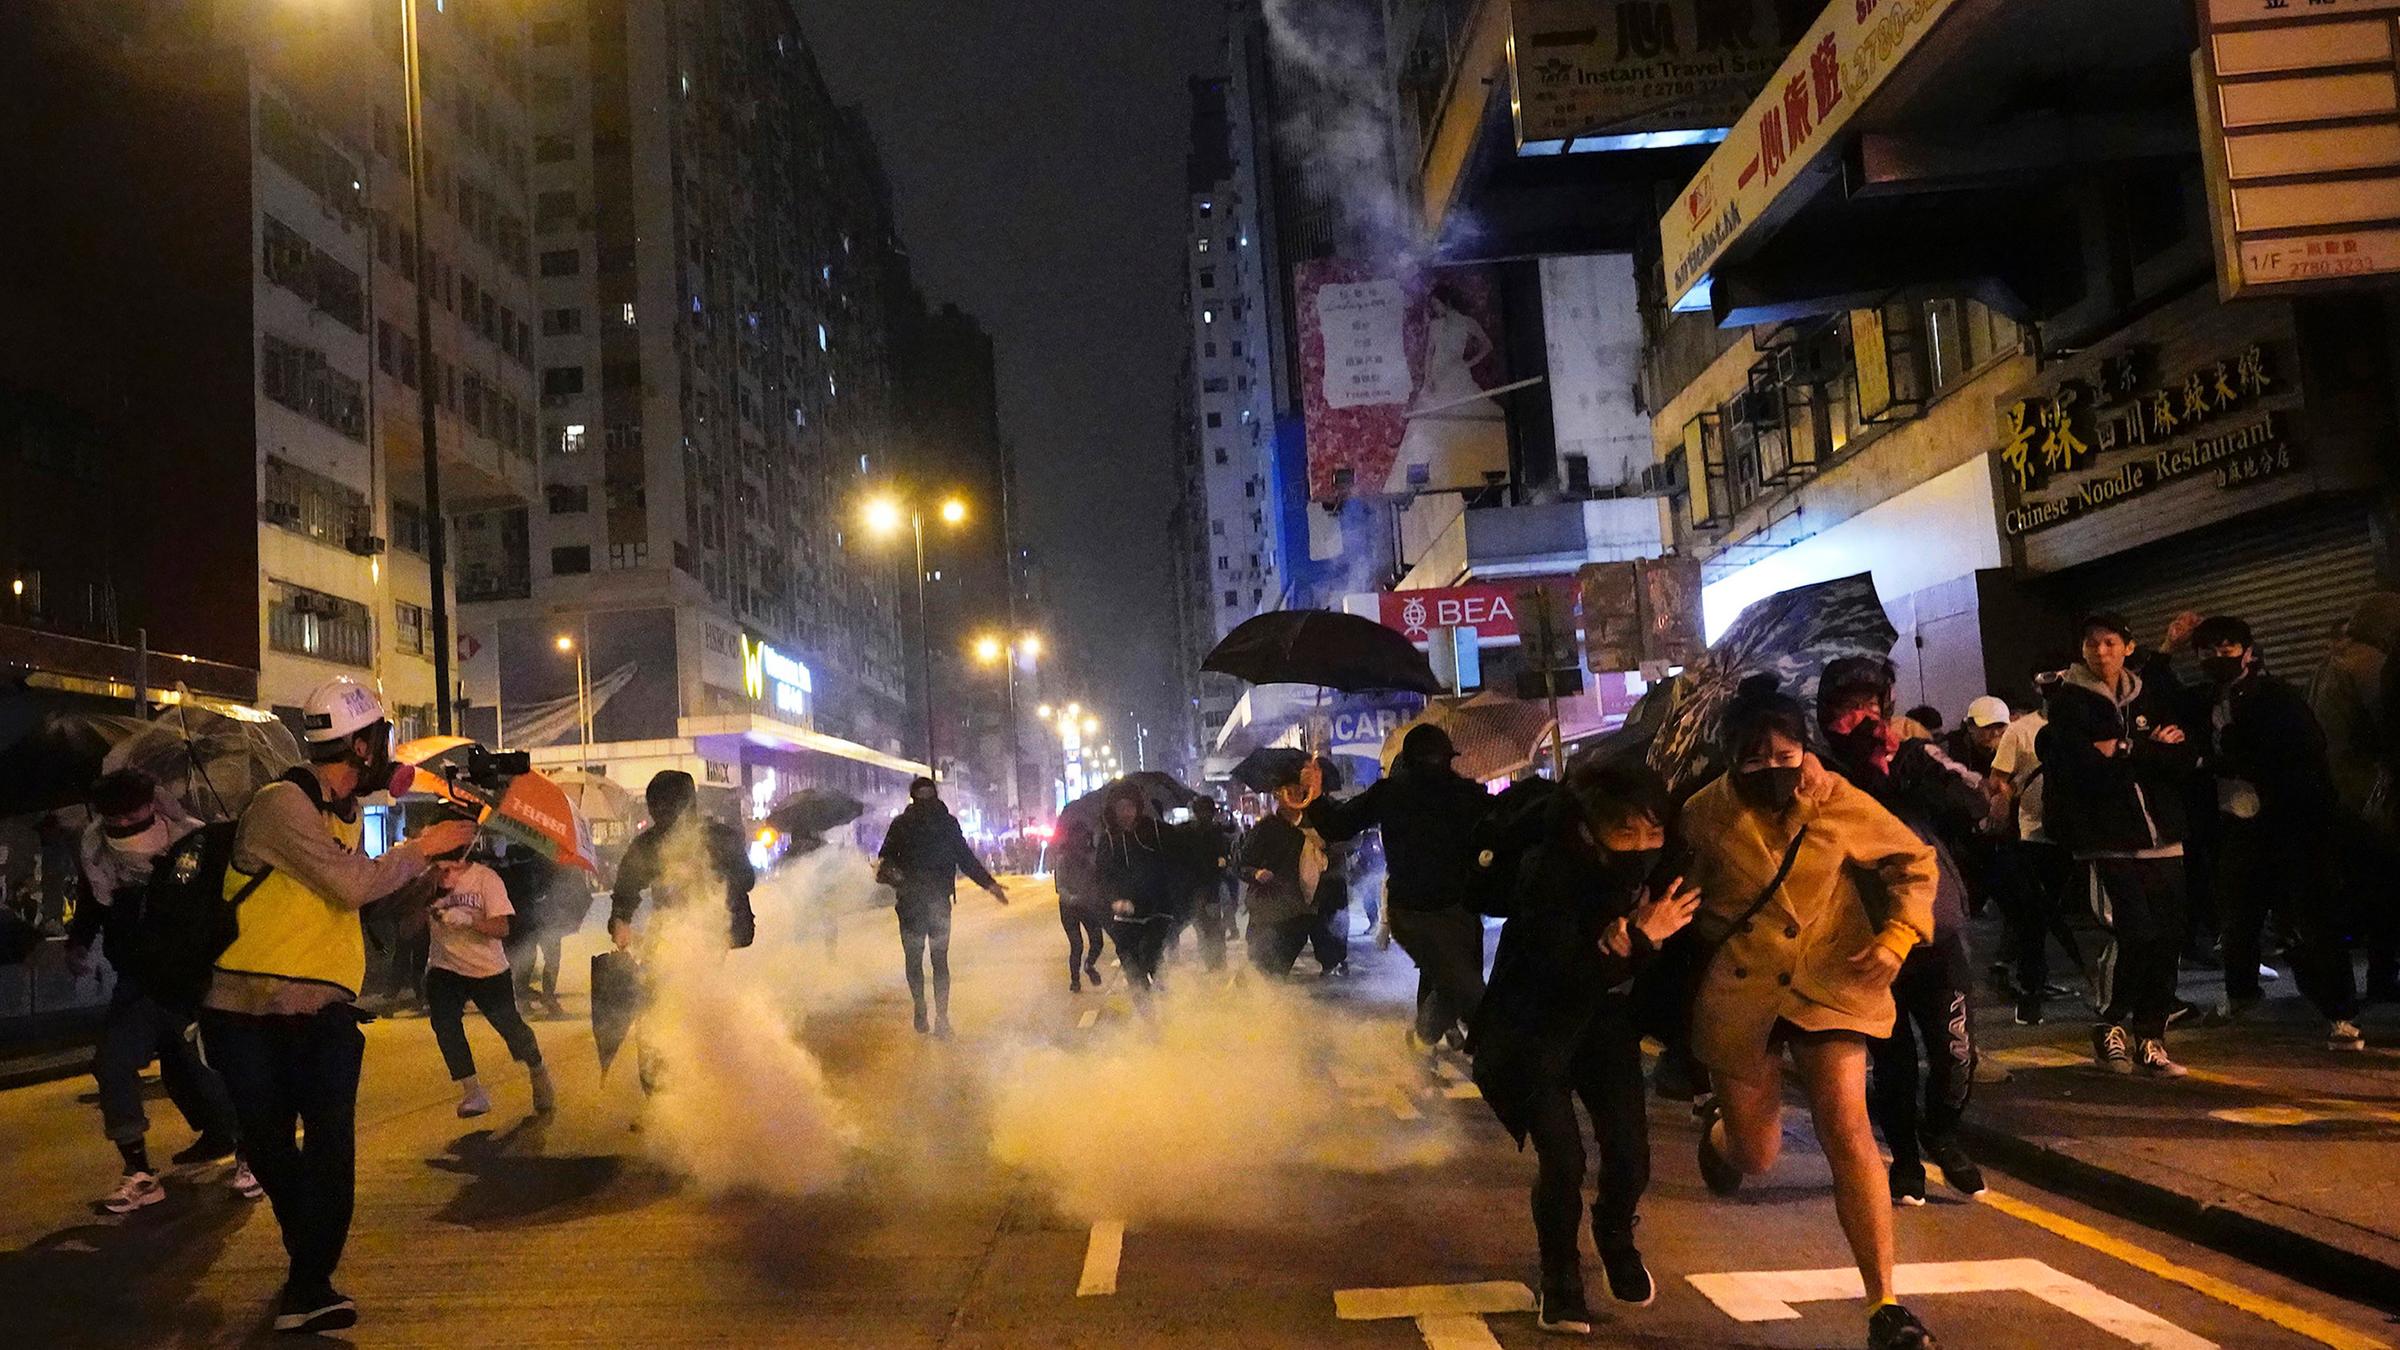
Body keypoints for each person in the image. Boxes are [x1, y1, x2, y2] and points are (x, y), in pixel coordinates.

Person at [198, 678, 477, 1335]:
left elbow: (363, 913)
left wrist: (428, 881)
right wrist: (419, 850)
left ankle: (309, 1281)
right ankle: (311, 1266)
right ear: (358, 742)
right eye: (382, 735)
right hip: (245, 1010)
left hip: (322, 1013)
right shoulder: (280, 805)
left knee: (329, 1148)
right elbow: (350, 886)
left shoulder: (346, 815)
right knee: (268, 1147)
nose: (388, 749)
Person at [1686, 675, 1941, 1350]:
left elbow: (1914, 864)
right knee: (1757, 1154)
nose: (1772, 767)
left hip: (1830, 979)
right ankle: (1720, 1135)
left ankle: (1885, 1305)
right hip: (1742, 990)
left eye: (1784, 752)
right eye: (1753, 756)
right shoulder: (1703, 814)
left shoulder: (1837, 799)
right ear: (1730, 755)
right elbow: (1675, 893)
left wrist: (1896, 937)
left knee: (1848, 1125)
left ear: (1805, 747)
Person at [1472, 763, 1698, 1333]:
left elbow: (1672, 955)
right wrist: (1637, 941)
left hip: (1604, 1027)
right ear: (1586, 829)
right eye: (1626, 833)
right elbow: (1566, 973)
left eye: (1654, 833)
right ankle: (1560, 1278)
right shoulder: (1545, 872)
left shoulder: (1666, 873)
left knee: (1629, 1152)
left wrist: (1637, 946)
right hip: (1535, 1031)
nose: (1643, 847)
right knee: (1563, 1158)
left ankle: (1615, 1234)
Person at [1818, 658, 1991, 1205]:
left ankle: (1941, 1132)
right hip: (1868, 936)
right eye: (1848, 709)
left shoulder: (1916, 755)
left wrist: (1909, 770)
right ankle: (1906, 1158)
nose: (1862, 718)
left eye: (1871, 705)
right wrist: (1865, 777)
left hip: (1935, 929)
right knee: (1891, 1060)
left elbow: (1977, 801)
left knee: (1956, 1050)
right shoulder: (1821, 774)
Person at [67, 770, 256, 1214]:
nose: (128, 829)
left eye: (134, 815)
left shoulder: (196, 845)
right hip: (140, 982)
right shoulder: (97, 855)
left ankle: (251, 1153)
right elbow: (95, 906)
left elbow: (225, 908)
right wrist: (78, 943)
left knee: (215, 1069)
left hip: (196, 981)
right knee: (113, 1062)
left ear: (152, 804)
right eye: (116, 820)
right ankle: (138, 1172)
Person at [2192, 617, 2363, 1049]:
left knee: (2311, 917)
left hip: (2293, 825)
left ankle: (2339, 1012)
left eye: (2228, 647)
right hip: (2234, 824)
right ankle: (2241, 994)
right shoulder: (2202, 701)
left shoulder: (2277, 697)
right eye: (2208, 649)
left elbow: (2301, 754)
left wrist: (2226, 758)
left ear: (2249, 651)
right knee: (2238, 915)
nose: (2217, 656)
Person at [2041, 612, 2199, 1076]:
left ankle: (2151, 1035)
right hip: (2105, 839)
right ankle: (2109, 1021)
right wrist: (2145, 748)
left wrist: (2127, 748)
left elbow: (2182, 755)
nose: (2100, 652)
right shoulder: (2069, 701)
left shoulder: (2149, 692)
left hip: (2163, 835)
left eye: (2110, 642)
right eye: (2092, 644)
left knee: (2168, 936)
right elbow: (2082, 767)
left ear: (2128, 646)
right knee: (2133, 931)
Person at [1305, 727, 1493, 1051]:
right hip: (1436, 909)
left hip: (1425, 910)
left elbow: (1337, 823)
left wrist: (1316, 797)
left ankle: (1424, 1041)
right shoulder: (1461, 794)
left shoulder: (1396, 793)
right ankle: (1484, 1047)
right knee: (1462, 984)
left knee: (1455, 983)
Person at [421, 815, 556, 1118]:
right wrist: (424, 906)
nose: (442, 870)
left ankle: (537, 1068)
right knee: (444, 1023)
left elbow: (502, 928)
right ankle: (473, 1091)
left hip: (487, 970)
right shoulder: (426, 880)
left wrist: (468, 920)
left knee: (510, 1026)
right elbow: (405, 927)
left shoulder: (485, 879)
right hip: (444, 968)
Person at [2309, 593, 2400, 1001]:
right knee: (2388, 888)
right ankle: (2383, 977)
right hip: (2370, 793)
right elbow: (2387, 726)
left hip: (2340, 794)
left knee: (2375, 891)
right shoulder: (2370, 665)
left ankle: (2379, 977)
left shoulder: (2331, 664)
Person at [874, 777, 1007, 1036]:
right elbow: (964, 858)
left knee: (928, 960)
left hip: (922, 902)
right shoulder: (938, 824)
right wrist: (989, 884)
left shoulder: (911, 824)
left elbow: (964, 857)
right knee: (928, 961)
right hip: (921, 902)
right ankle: (930, 1012)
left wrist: (990, 884)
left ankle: (936, 1014)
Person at [1985, 684, 2084, 1026]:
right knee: (2034, 919)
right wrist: (2005, 794)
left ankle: (2103, 989)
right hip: (2033, 836)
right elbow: (1997, 778)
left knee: (2066, 916)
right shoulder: (2021, 730)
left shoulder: (2088, 722)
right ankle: (2031, 991)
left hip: (2081, 836)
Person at [1240, 781, 1334, 977]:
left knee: (1277, 971)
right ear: (1278, 796)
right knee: (1260, 969)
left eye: (1300, 792)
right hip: (1267, 911)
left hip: (1300, 912)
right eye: (1289, 793)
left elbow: (1335, 850)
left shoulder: (1314, 827)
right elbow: (1240, 864)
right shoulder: (1266, 828)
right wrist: (1256, 873)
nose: (1295, 797)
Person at [1096, 784, 1177, 1002]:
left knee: (1152, 960)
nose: (1125, 812)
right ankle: (1148, 1024)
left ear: (1137, 808)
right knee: (1134, 973)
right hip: (1124, 917)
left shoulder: (1155, 831)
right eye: (1120, 807)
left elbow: (1177, 860)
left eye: (1129, 807)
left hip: (1157, 911)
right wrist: (1115, 900)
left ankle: (1168, 1007)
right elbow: (1102, 877)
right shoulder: (1109, 840)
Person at [1173, 798, 1238, 973]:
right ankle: (1216, 965)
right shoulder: (1197, 831)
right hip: (1202, 888)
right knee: (1210, 928)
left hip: (1203, 889)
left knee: (1208, 928)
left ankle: (1215, 964)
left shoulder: (1188, 830)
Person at [1054, 814, 1108, 992]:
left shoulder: (1092, 856)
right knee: (1076, 945)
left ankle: (1089, 965)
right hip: (1069, 907)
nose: (1081, 841)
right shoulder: (1063, 860)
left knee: (1097, 942)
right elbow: (1060, 887)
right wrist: (1073, 898)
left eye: (1084, 837)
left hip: (1088, 906)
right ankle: (1075, 980)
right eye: (1077, 837)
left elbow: (1099, 880)